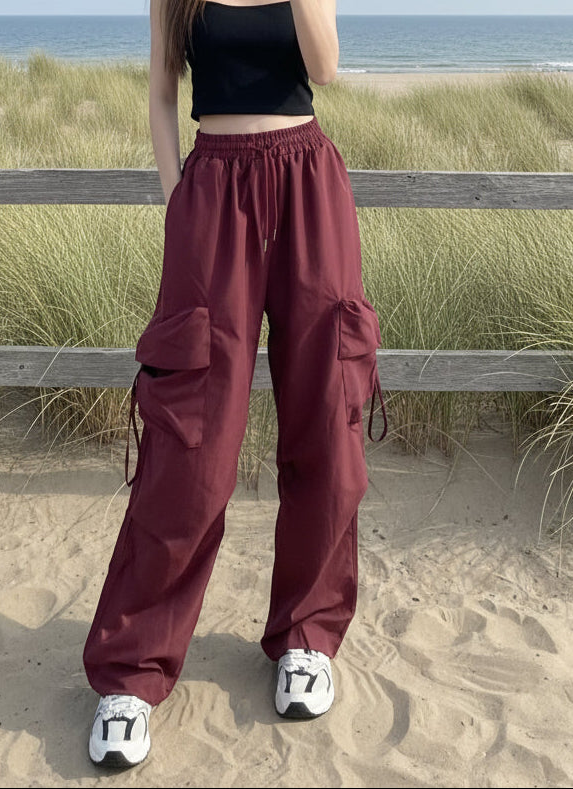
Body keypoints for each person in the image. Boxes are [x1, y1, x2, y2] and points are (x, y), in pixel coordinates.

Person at [84, 0, 388, 768]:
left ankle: (306, 635)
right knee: (190, 441)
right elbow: (161, 93)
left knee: (326, 417)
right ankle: (131, 669)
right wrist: (177, 199)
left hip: (308, 184)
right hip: (213, 190)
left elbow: (324, 69)